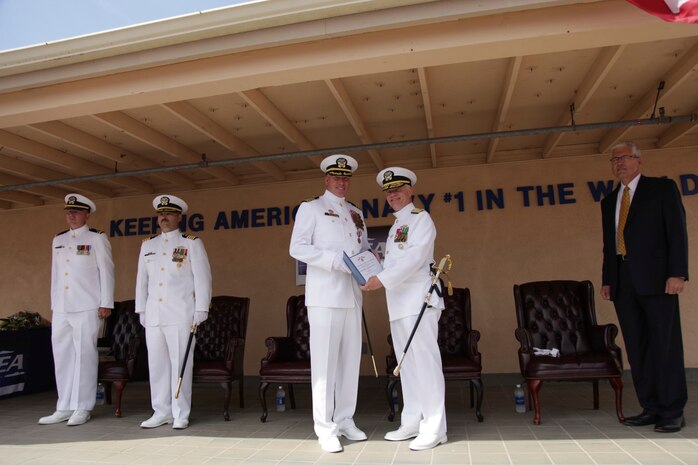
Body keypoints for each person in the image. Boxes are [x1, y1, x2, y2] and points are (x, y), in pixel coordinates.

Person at [600, 142, 689, 433]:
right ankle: (650, 407)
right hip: (624, 283)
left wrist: (677, 273)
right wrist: (608, 279)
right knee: (638, 347)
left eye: (625, 157)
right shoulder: (609, 200)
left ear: (639, 161)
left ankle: (672, 410)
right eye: (615, 159)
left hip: (658, 280)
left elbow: (676, 232)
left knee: (665, 345)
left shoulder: (661, 190)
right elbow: (609, 245)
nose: (619, 163)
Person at [361, 167, 447, 450]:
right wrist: (376, 265)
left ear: (410, 191)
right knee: (406, 364)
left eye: (398, 189)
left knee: (425, 364)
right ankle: (412, 421)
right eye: (389, 191)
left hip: (418, 302)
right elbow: (396, 264)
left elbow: (414, 260)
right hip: (398, 304)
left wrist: (380, 279)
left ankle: (435, 427)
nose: (393, 194)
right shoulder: (397, 226)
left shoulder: (421, 219)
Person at [289, 154, 369, 453]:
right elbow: (297, 248)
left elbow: (361, 250)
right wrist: (335, 261)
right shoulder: (311, 208)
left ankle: (345, 419)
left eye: (346, 177)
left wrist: (368, 270)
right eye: (337, 177)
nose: (342, 182)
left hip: (352, 295)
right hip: (324, 296)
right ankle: (325, 427)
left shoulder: (356, 212)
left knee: (349, 361)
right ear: (326, 180)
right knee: (324, 364)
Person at [136, 195, 212, 430]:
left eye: (169, 213)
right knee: (157, 365)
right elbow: (142, 280)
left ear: (179, 216)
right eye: (161, 214)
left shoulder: (191, 243)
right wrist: (141, 309)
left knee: (181, 364)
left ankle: (181, 412)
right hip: (154, 314)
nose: (164, 217)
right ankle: (161, 411)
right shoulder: (148, 245)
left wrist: (201, 308)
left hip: (180, 313)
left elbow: (203, 278)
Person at [39, 194, 115, 427]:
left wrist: (106, 302)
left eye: (77, 211)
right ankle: (64, 405)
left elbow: (106, 271)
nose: (71, 215)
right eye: (68, 211)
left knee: (84, 355)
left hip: (86, 305)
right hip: (62, 306)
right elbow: (56, 275)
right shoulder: (58, 239)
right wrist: (54, 304)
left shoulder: (96, 238)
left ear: (87, 214)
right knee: (62, 355)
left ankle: (82, 407)